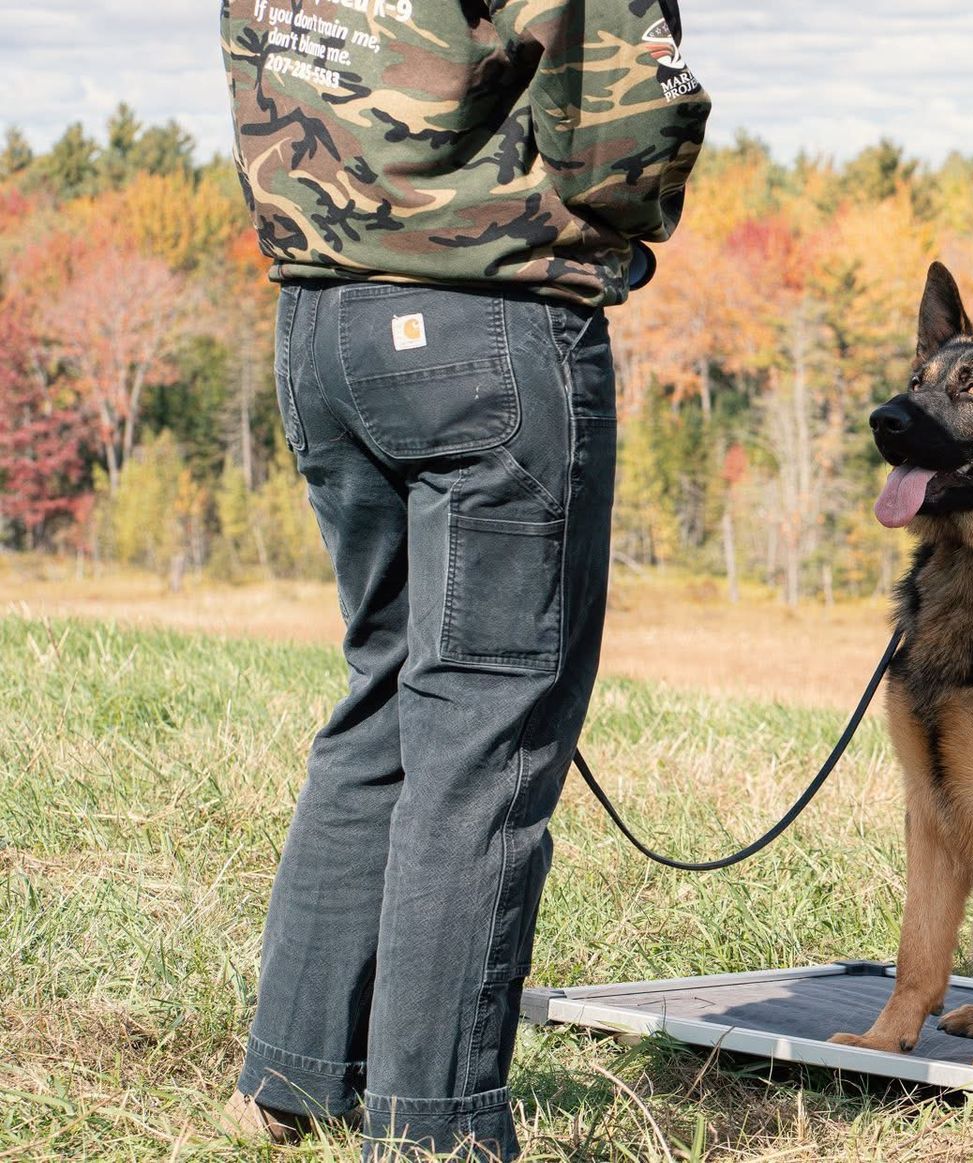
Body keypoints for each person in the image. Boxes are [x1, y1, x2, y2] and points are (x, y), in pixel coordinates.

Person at [215, 1, 709, 1156]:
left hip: (322, 325)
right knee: (484, 730)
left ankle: (291, 1076)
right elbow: (626, 131)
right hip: (485, 324)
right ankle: (433, 1130)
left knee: (385, 694)